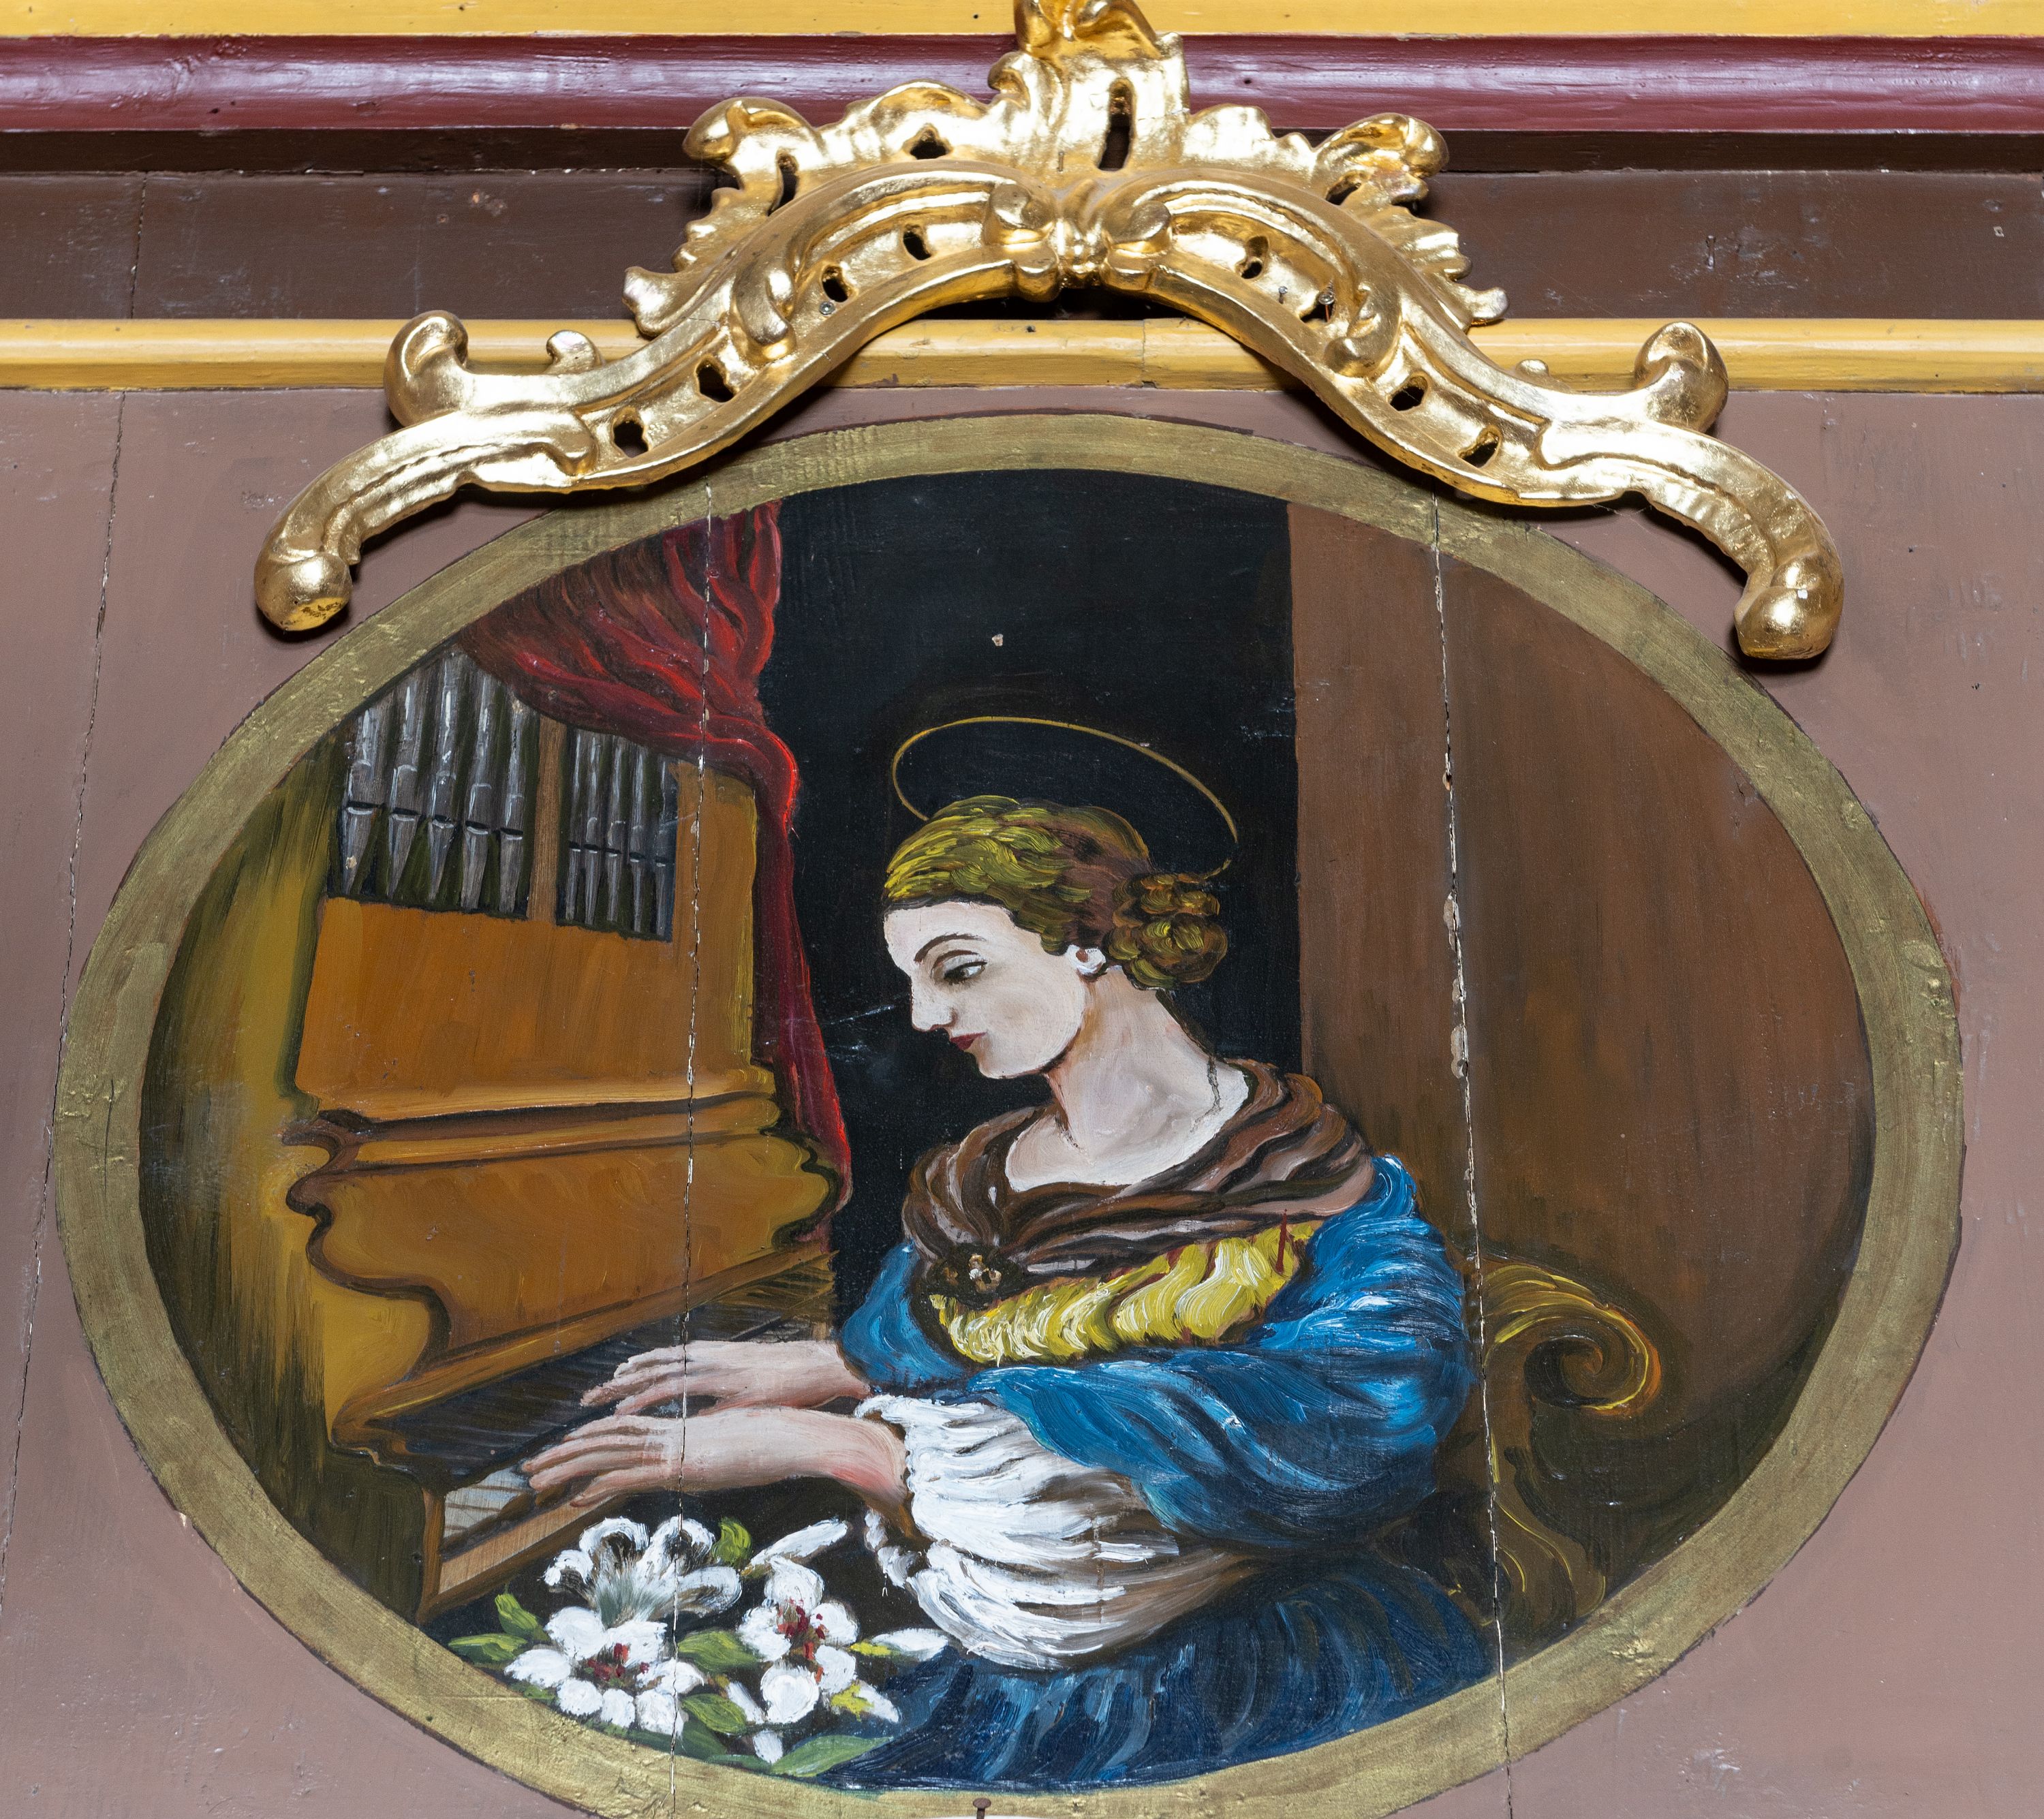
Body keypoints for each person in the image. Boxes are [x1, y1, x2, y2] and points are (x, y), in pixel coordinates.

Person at [525, 795, 1487, 1787]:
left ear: (1089, 941)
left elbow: (1336, 1438)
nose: (925, 1017)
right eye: (912, 981)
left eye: (957, 970)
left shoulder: (1315, 1186)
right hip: (971, 1629)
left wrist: (849, 1446)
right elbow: (934, 1339)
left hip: (1219, 1671)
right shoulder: (978, 1182)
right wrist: (832, 1365)